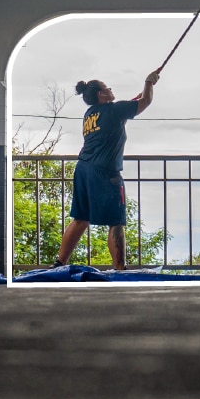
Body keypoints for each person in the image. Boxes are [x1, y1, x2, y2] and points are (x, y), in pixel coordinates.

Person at [56, 68, 159, 271]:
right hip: (104, 173)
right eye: (107, 87)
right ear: (101, 94)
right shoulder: (114, 110)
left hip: (83, 169)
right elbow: (145, 102)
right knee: (116, 221)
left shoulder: (90, 114)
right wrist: (148, 82)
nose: (110, 89)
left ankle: (58, 263)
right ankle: (120, 269)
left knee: (80, 219)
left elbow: (118, 116)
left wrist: (132, 101)